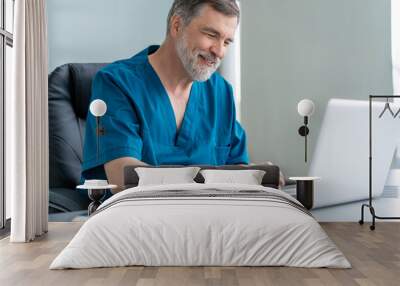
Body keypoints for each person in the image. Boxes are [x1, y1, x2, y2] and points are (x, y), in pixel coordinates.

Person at [82, 0, 248, 193]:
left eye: (227, 42)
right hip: (136, 217)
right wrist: (210, 180)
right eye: (211, 35)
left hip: (209, 219)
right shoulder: (116, 83)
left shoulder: (221, 93)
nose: (219, 51)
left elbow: (238, 167)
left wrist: (262, 176)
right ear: (177, 25)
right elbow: (122, 178)